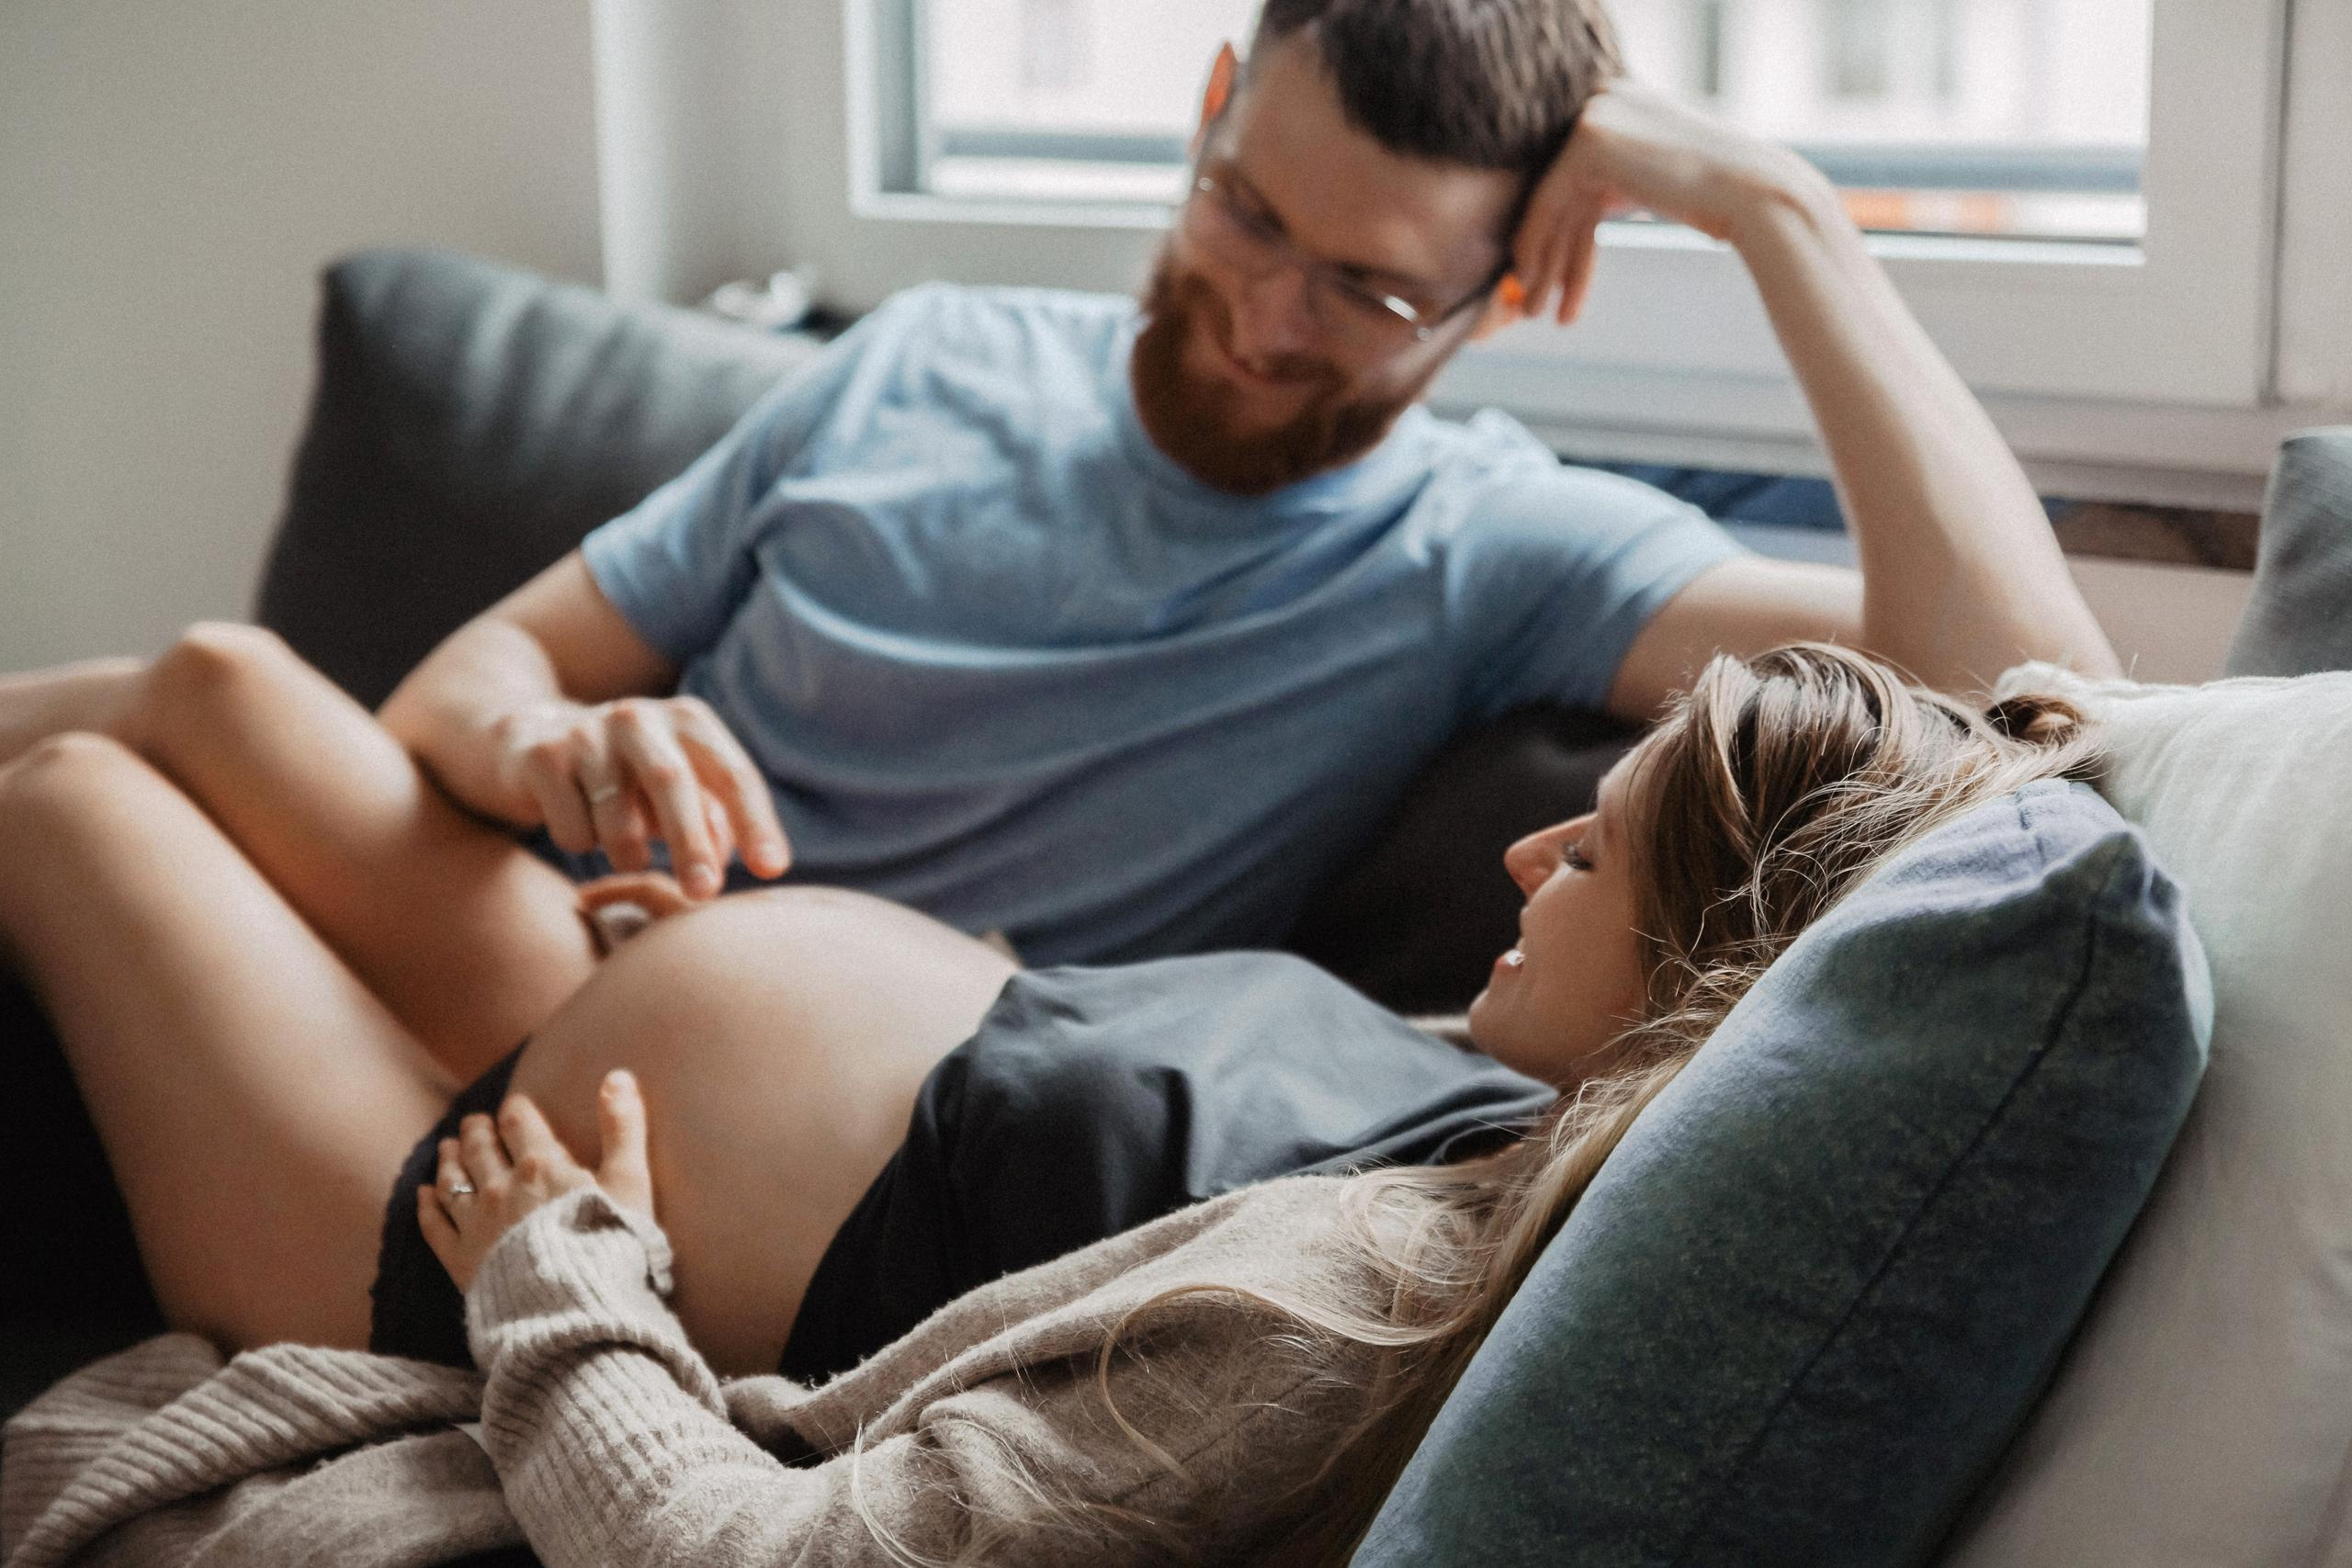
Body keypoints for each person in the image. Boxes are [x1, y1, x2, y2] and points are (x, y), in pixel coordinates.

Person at [0, 0, 2114, 1103]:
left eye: (1367, 291)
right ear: (1208, 109)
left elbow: (2041, 697)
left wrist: (1779, 214)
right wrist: (566, 751)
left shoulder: (1490, 546)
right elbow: (456, 693)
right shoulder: (916, 360)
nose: (1265, 314)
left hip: (787, 1061)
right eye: (1244, 211)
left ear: (1505, 300)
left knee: (173, 711)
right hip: (526, 924)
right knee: (167, 718)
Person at [0, 641, 2106, 1565]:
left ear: (1704, 979)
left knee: (70, 802)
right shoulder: (1484, 1081)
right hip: (601, 1012)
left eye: (1594, 855)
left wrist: (555, 1275)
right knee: (213, 682)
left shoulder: (1352, 1305)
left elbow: (775, 1556)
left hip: (463, 1216)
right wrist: (699, 958)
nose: (1521, 859)